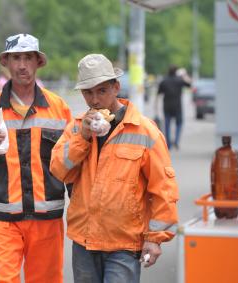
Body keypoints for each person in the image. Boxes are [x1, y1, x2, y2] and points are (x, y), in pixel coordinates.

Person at [50, 54, 179, 283]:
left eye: (101, 91)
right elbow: (59, 169)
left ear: (116, 87)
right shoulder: (78, 128)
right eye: (88, 92)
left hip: (124, 245)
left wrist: (155, 238)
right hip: (84, 241)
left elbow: (163, 188)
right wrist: (84, 138)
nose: (95, 100)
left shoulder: (144, 131)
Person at [0, 33, 72, 283]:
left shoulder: (58, 108)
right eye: (16, 58)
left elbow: (71, 161)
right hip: (4, 220)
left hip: (47, 219)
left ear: (38, 62)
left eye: (28, 58)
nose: (22, 65)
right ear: (6, 63)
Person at [156, 65, 192, 149]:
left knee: (167, 125)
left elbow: (158, 94)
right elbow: (189, 84)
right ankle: (176, 141)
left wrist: (156, 107)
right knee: (179, 124)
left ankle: (168, 144)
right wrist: (184, 75)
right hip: (177, 107)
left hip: (167, 106)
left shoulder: (164, 81)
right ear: (176, 71)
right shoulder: (179, 80)